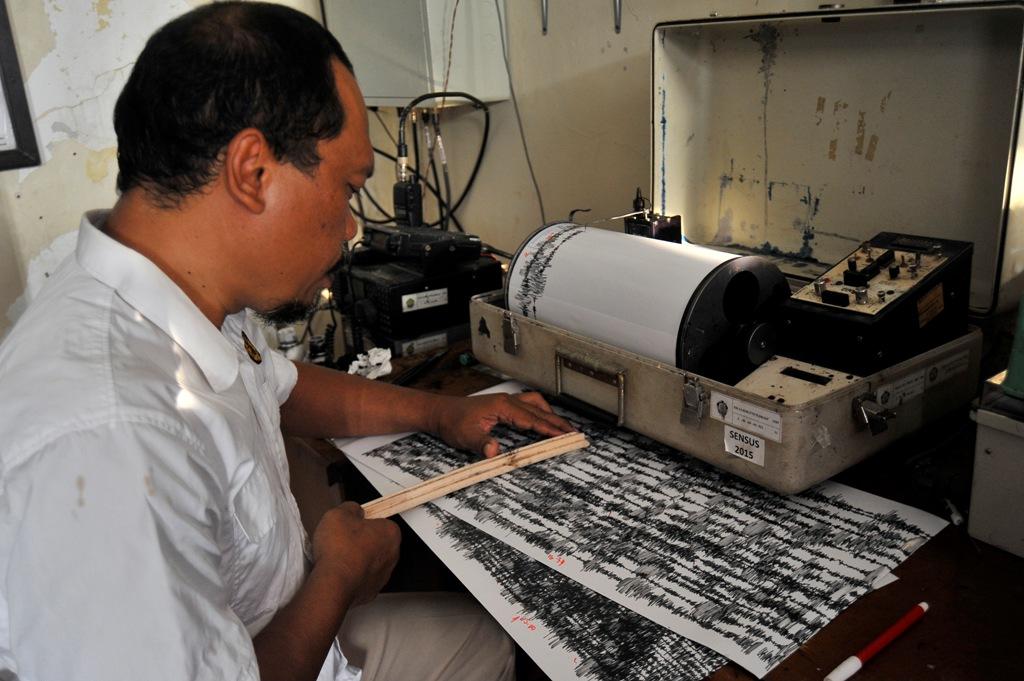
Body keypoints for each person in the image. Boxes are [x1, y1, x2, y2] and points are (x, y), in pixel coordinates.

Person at [0, 3, 572, 681]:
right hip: (282, 642)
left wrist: (442, 413)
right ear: (252, 171)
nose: (354, 227)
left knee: (497, 643)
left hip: (283, 630)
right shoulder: (110, 439)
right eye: (349, 187)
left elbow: (278, 386)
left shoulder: (175, 291)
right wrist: (336, 575)